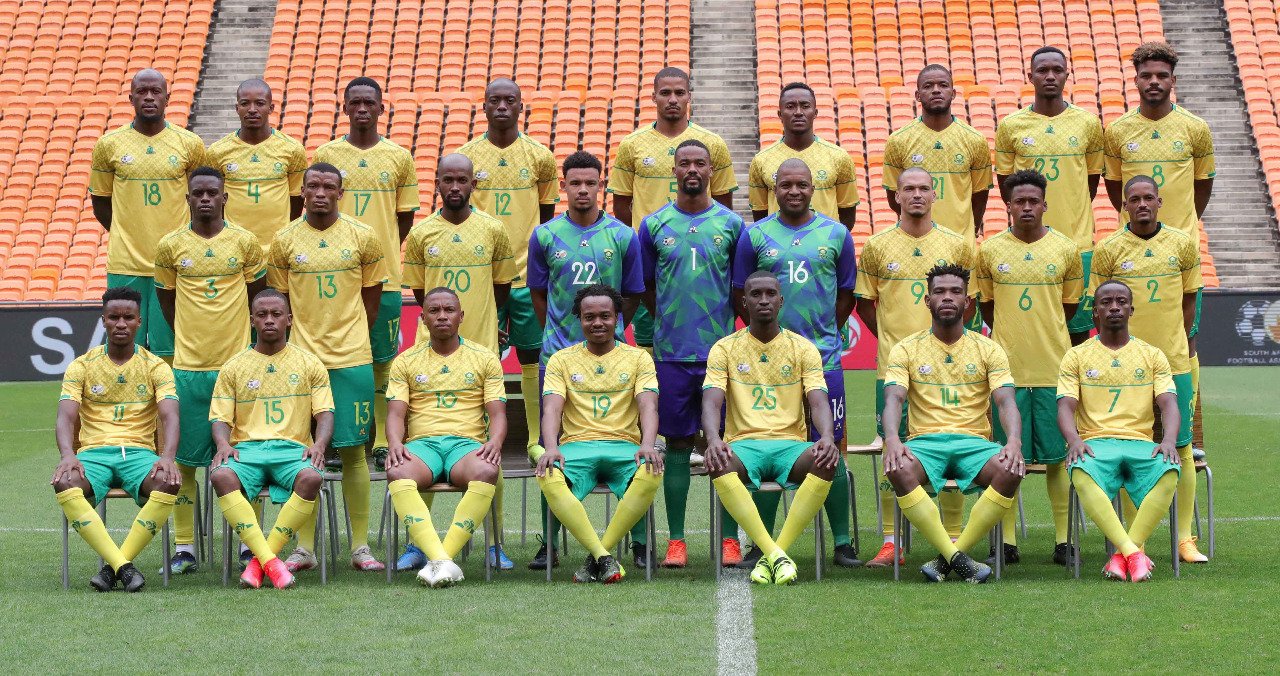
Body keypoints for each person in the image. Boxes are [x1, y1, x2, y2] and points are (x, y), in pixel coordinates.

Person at [730, 158, 859, 569]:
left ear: (813, 187)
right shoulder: (755, 236)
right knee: (769, 447)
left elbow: (846, 295)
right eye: (786, 185)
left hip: (824, 358)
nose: (794, 191)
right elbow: (741, 293)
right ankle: (762, 543)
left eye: (801, 184)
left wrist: (820, 335)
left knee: (831, 448)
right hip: (769, 363)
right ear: (774, 189)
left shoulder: (836, 234)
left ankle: (843, 543)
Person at [267, 162, 389, 572]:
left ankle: (360, 547)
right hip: (301, 361)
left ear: (341, 192)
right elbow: (279, 302)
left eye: (328, 187)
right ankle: (305, 548)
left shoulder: (363, 236)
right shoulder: (284, 240)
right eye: (313, 186)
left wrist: (351, 335)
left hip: (351, 358)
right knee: (303, 452)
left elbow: (372, 298)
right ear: (302, 191)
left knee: (354, 451)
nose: (320, 193)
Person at [526, 150, 645, 569]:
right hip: (557, 356)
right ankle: (549, 543)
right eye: (574, 183)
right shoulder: (544, 235)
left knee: (629, 441)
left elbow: (632, 294)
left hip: (614, 355)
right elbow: (538, 293)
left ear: (601, 186)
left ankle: (640, 542)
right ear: (563, 186)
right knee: (553, 448)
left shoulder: (623, 236)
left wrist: (613, 330)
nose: (582, 190)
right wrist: (560, 334)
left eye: (589, 183)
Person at [397, 153, 515, 571]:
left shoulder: (493, 229)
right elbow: (421, 291)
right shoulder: (421, 232)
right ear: (437, 184)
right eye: (447, 180)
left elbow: (502, 286)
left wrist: (485, 323)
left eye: (462, 180)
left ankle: (494, 543)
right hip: (430, 353)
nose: (454, 187)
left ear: (473, 184)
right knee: (421, 438)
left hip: (480, 349)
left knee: (488, 448)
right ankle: (418, 543)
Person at [853, 166, 976, 567]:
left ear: (934, 195)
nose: (917, 195)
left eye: (924, 188)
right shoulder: (876, 246)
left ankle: (954, 538)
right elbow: (865, 305)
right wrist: (896, 343)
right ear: (896, 196)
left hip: (948, 370)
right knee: (892, 450)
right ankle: (892, 541)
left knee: (954, 443)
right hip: (893, 370)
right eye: (909, 188)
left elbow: (968, 304)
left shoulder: (956, 245)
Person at [881, 263, 1025, 583]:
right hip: (925, 443)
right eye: (940, 292)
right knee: (896, 467)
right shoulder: (906, 348)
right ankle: (958, 558)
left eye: (956, 292)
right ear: (927, 300)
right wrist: (892, 438)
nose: (947, 297)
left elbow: (1006, 402)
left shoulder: (989, 348)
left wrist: (1014, 441)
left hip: (974, 443)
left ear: (967, 301)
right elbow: (893, 399)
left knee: (1012, 468)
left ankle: (948, 558)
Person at [1102, 41, 1213, 454]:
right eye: (1146, 75)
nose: (1154, 82)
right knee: (1125, 340)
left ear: (1173, 80)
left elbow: (1202, 188)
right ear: (1135, 80)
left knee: (1186, 341)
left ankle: (1190, 431)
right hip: (1130, 253)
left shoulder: (1194, 129)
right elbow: (1115, 189)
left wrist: (1179, 230)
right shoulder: (1118, 131)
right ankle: (1130, 427)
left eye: (1161, 76)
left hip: (1179, 253)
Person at [154, 167, 266, 573]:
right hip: (188, 368)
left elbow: (257, 299)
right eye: (197, 193)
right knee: (184, 461)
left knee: (246, 458)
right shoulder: (170, 246)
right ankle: (185, 547)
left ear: (224, 198)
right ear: (187, 198)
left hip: (237, 370)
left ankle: (249, 545)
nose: (205, 199)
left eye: (212, 193)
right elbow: (166, 301)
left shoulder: (245, 242)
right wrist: (190, 337)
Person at [638, 139, 744, 568]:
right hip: (671, 353)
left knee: (727, 443)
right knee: (678, 443)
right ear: (675, 170)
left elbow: (740, 288)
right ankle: (677, 540)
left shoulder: (733, 225)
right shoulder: (653, 225)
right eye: (685, 163)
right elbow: (647, 287)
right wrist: (670, 321)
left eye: (700, 163)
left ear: (712, 170)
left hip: (721, 355)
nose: (693, 170)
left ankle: (731, 539)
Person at [1089, 175, 1206, 562]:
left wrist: (1181, 341)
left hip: (1173, 362)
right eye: (1134, 199)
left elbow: (1189, 300)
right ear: (1123, 205)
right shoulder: (1108, 249)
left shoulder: (1182, 244)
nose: (1141, 204)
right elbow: (1101, 305)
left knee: (1182, 448)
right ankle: (1133, 541)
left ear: (1159, 202)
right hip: (1126, 366)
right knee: (1130, 444)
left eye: (1148, 198)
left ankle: (1184, 538)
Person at [702, 271, 840, 585]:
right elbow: (711, 401)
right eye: (756, 294)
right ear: (744, 302)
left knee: (826, 460)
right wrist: (712, 439)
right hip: (743, 446)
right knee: (718, 460)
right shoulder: (724, 348)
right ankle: (776, 554)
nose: (763, 300)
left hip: (791, 446)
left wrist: (827, 437)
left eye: (770, 294)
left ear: (781, 300)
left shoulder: (803, 348)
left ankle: (772, 553)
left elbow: (818, 401)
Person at [976, 169, 1082, 565]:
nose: (1026, 207)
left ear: (1044, 205)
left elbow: (1068, 308)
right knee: (1007, 457)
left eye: (1033, 201)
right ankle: (1005, 542)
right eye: (1018, 201)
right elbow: (988, 307)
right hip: (1007, 373)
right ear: (1007, 206)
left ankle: (1063, 541)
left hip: (1055, 370)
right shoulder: (989, 251)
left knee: (1058, 460)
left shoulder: (1066, 249)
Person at [314, 76, 421, 461]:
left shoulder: (399, 157)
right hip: (334, 275)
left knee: (382, 360)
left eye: (369, 103)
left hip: (384, 277)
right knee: (332, 361)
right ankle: (333, 438)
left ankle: (379, 440)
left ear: (380, 108)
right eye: (355, 102)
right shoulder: (327, 154)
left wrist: (379, 251)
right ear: (344, 108)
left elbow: (404, 218)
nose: (362, 109)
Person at [457, 78, 558, 472]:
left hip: (527, 277)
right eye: (494, 100)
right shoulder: (467, 158)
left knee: (532, 356)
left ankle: (534, 439)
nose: (501, 106)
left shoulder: (540, 157)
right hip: (483, 278)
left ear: (520, 107)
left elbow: (545, 217)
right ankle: (476, 434)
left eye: (509, 100)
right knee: (481, 358)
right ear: (483, 106)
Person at [51, 287, 182, 592]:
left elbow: (170, 417)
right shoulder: (82, 365)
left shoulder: (156, 366)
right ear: (104, 320)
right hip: (93, 454)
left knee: (169, 481)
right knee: (65, 482)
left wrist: (167, 457)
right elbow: (65, 417)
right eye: (113, 317)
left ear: (139, 321)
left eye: (128, 317)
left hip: (139, 454)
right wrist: (68, 455)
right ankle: (124, 567)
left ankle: (112, 568)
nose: (121, 323)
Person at [534, 284, 664, 584]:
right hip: (576, 447)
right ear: (579, 319)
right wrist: (551, 447)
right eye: (589, 317)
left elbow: (648, 405)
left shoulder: (638, 358)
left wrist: (647, 443)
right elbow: (551, 409)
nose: (597, 323)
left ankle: (634, 546)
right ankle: (555, 547)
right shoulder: (561, 359)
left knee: (650, 468)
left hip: (624, 446)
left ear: (617, 318)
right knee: (549, 469)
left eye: (605, 316)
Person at [1057, 280, 1182, 581]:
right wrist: (1074, 440)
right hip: (1096, 443)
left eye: (1121, 302)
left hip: (1140, 443)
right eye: (1106, 302)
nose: (1114, 307)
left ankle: (1122, 554)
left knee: (1169, 469)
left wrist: (1168, 441)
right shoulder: (1076, 356)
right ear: (1095, 311)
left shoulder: (1152, 355)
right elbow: (1065, 407)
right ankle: (1133, 553)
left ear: (1131, 310)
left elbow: (1169, 404)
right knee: (1080, 467)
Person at [207, 290, 332, 589]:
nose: (269, 320)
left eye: (276, 314)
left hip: (293, 451)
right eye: (262, 315)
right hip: (247, 451)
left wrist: (319, 445)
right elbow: (220, 418)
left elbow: (325, 413)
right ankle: (272, 563)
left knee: (312, 477)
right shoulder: (234, 366)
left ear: (289, 319)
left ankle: (259, 562)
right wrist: (223, 444)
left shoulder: (309, 363)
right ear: (252, 320)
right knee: (221, 475)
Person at [608, 66, 738, 353]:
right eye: (665, 93)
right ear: (653, 97)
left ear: (689, 96)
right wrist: (649, 239)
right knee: (648, 339)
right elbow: (621, 206)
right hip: (653, 256)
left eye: (680, 93)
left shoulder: (713, 144)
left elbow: (724, 206)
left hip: (702, 259)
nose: (672, 99)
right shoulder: (631, 145)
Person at [385, 287, 507, 588]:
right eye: (434, 311)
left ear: (461, 316)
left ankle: (440, 558)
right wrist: (395, 444)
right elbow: (396, 414)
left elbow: (498, 414)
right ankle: (442, 559)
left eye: (449, 310)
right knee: (397, 470)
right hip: (422, 445)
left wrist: (494, 442)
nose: (442, 316)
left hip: (465, 445)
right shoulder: (405, 361)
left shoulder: (484, 358)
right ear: (423, 318)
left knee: (487, 469)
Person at [89, 68, 208, 359]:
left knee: (170, 347)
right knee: (124, 345)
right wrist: (127, 233)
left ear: (167, 98)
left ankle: (168, 392)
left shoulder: (189, 144)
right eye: (142, 92)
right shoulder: (109, 145)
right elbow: (101, 202)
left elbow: (202, 197)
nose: (149, 97)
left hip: (175, 262)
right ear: (131, 98)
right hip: (125, 263)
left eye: (156, 92)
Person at [994, 46, 1103, 345]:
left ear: (1067, 75)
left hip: (1077, 244)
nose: (1050, 76)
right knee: (1026, 327)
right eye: (1043, 70)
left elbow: (1090, 182)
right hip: (1025, 244)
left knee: (1077, 333)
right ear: (1030, 76)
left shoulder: (1088, 123)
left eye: (1057, 70)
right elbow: (1007, 185)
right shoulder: (1011, 126)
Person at [883, 65, 992, 242]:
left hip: (961, 241)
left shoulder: (975, 140)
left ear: (953, 93)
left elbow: (980, 195)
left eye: (943, 85)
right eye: (928, 86)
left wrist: (970, 228)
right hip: (916, 241)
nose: (936, 90)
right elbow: (893, 196)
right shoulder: (898, 140)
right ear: (917, 95)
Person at [206, 78, 308, 253]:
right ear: (237, 108)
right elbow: (215, 201)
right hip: (233, 248)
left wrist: (285, 235)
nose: (252, 109)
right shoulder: (217, 151)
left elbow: (296, 198)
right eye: (245, 103)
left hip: (277, 248)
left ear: (271, 108)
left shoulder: (292, 149)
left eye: (260, 103)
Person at [748, 82, 859, 229]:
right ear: (780, 114)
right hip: (779, 243)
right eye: (790, 106)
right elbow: (760, 216)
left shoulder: (839, 157)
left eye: (805, 106)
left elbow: (847, 215)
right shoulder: (761, 160)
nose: (798, 112)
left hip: (824, 241)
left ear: (815, 113)